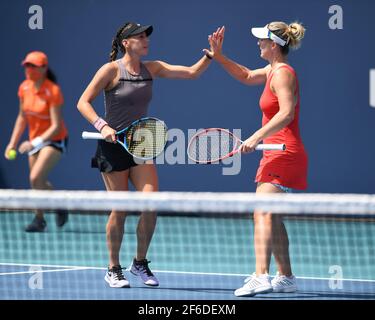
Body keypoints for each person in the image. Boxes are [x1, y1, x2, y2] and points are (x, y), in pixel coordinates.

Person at [77, 22, 212, 288]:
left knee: (151, 203)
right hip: (113, 146)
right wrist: (102, 125)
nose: (145, 40)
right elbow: (83, 101)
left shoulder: (153, 68)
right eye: (139, 36)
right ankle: (113, 268)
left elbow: (192, 73)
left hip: (140, 145)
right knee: (121, 208)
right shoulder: (111, 70)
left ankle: (140, 262)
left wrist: (211, 55)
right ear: (126, 42)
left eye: (146, 36)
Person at [205, 22, 308, 297]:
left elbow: (286, 113)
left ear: (274, 44)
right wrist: (220, 55)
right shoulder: (272, 70)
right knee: (271, 216)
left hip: (283, 153)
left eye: (262, 40)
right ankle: (285, 276)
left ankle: (261, 275)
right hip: (276, 151)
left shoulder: (283, 74)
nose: (258, 43)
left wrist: (255, 136)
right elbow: (247, 75)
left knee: (261, 211)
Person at [4, 51, 69, 232]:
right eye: (27, 65)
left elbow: (56, 126)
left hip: (54, 140)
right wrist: (12, 143)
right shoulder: (24, 88)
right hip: (34, 140)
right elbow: (21, 118)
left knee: (35, 177)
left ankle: (39, 219)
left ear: (43, 68)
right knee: (37, 182)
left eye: (32, 66)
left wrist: (35, 143)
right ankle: (58, 205)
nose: (28, 69)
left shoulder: (53, 91)